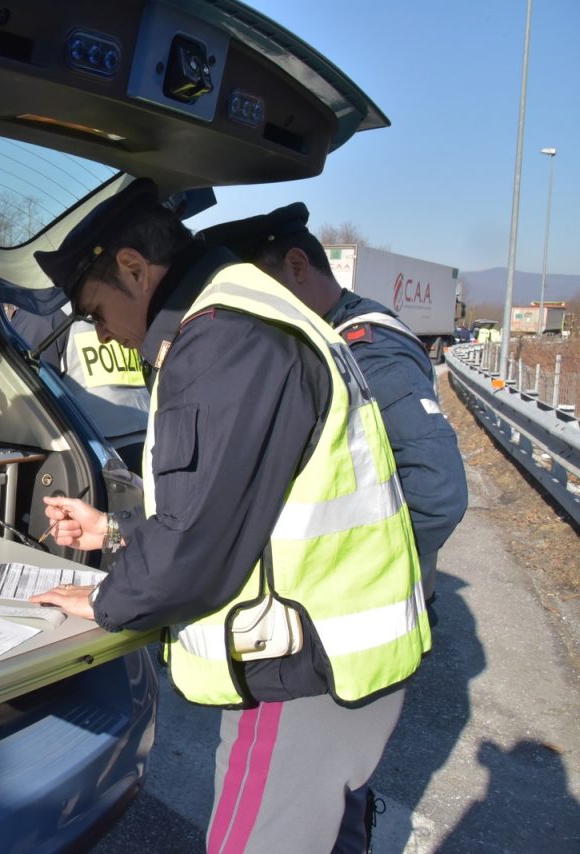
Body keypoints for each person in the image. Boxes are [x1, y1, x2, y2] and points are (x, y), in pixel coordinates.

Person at [27, 178, 430, 854]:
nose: (104, 334)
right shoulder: (250, 313)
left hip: (297, 672)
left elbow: (194, 551)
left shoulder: (221, 340)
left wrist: (105, 598)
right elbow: (244, 507)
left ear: (133, 266)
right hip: (339, 660)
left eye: (96, 312)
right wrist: (115, 532)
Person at [198, 203, 468, 852]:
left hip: (333, 640)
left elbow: (435, 493)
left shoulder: (365, 352)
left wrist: (356, 579)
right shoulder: (319, 343)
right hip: (347, 644)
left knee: (301, 806)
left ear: (297, 266)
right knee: (331, 804)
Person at [4, 299, 150, 472]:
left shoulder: (43, 314)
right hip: (148, 441)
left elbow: (21, 399)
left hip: (94, 455)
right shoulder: (119, 307)